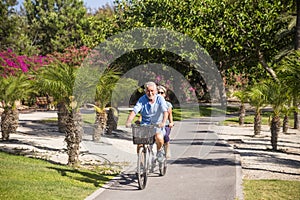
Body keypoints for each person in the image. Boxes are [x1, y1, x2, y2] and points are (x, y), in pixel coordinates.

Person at [126, 81, 168, 160]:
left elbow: (165, 112)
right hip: (145, 125)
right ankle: (141, 164)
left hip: (157, 125)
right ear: (145, 91)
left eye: (152, 91)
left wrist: (163, 122)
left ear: (156, 91)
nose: (150, 93)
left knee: (159, 138)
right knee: (140, 143)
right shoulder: (142, 99)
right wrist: (128, 121)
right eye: (148, 91)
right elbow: (135, 110)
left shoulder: (160, 99)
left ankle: (159, 151)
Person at [157, 85, 174, 158]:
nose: (160, 94)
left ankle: (167, 149)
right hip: (155, 124)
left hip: (165, 125)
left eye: (162, 93)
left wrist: (171, 122)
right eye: (158, 92)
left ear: (164, 95)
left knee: (165, 136)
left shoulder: (168, 104)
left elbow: (170, 115)